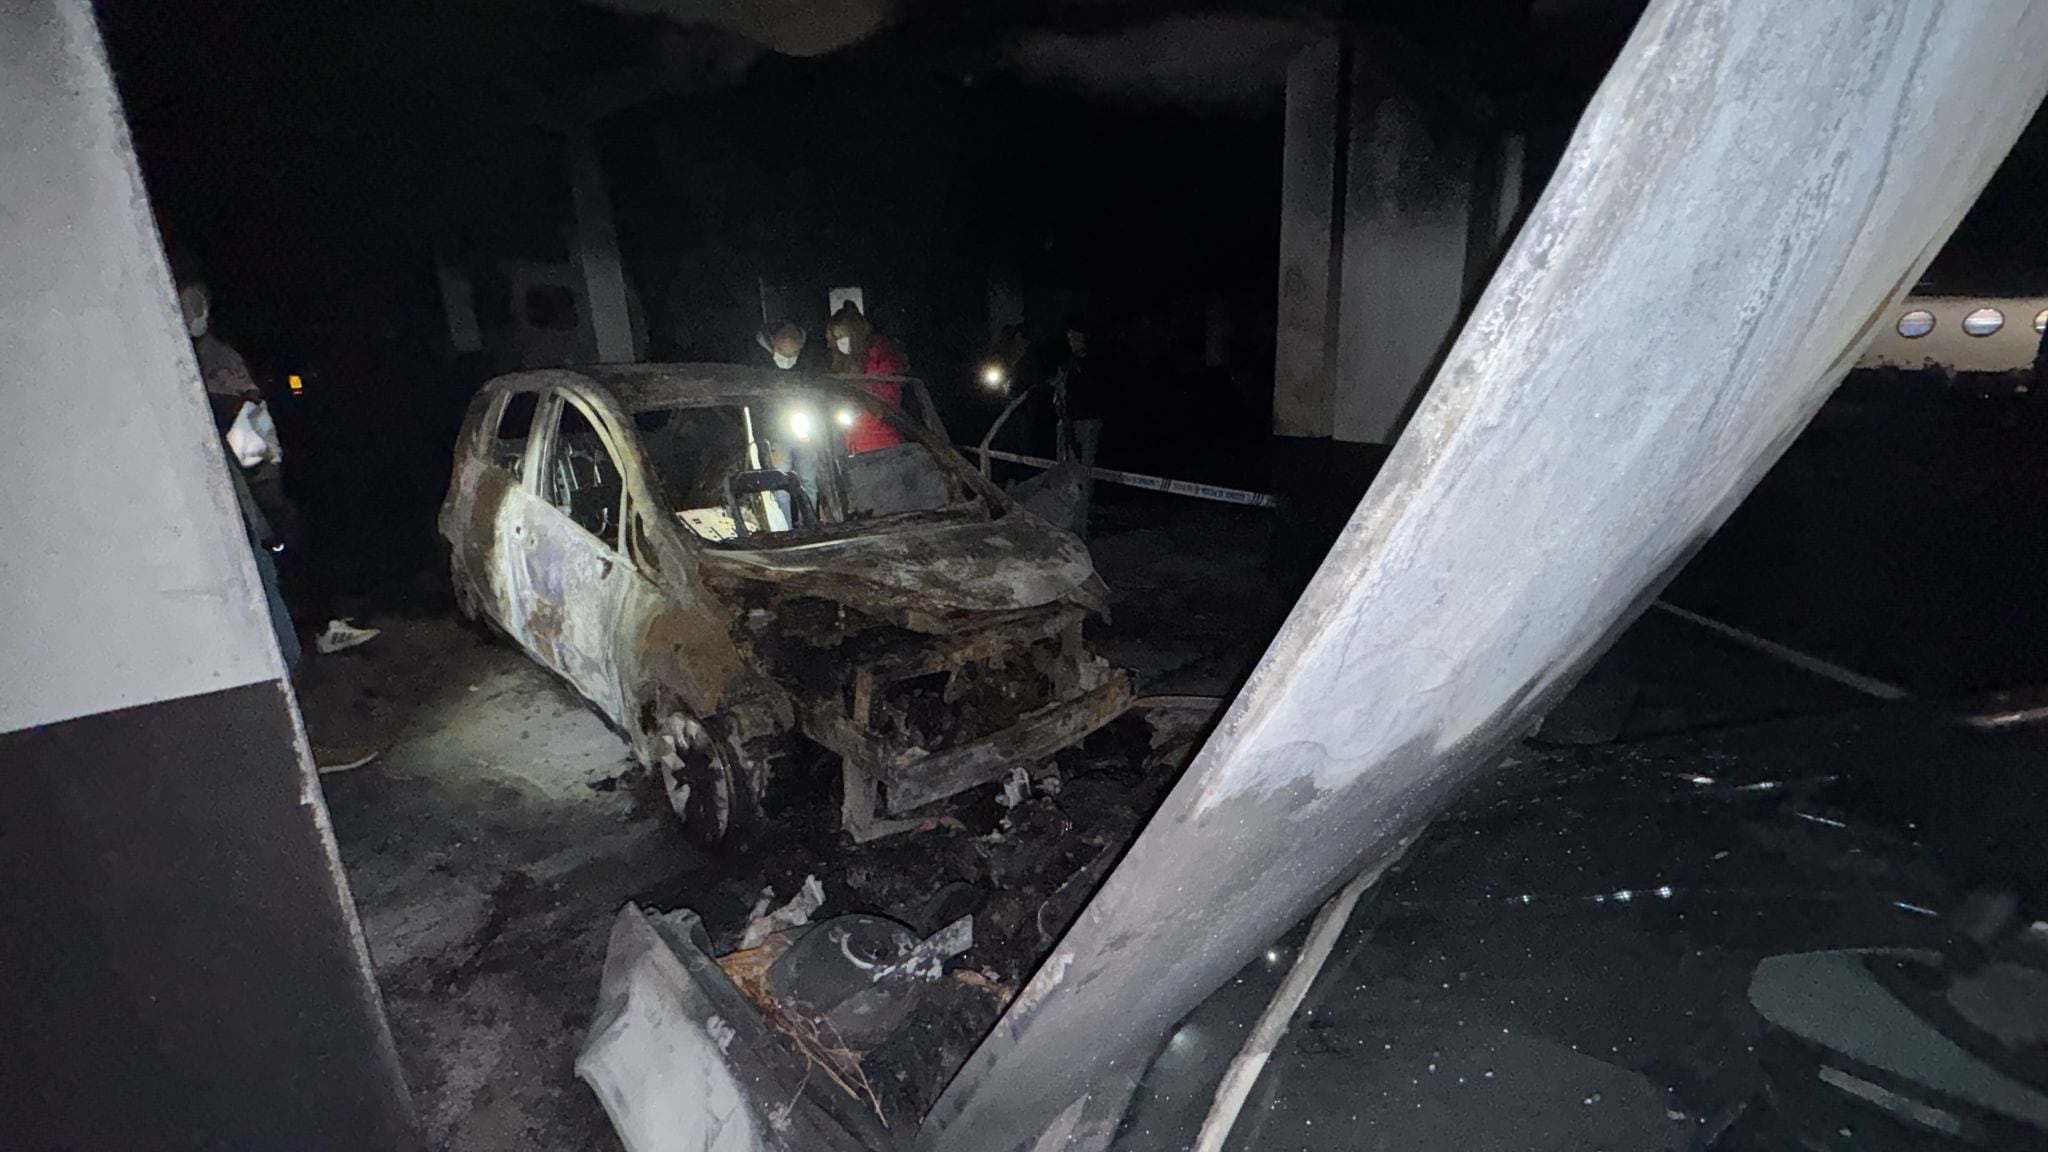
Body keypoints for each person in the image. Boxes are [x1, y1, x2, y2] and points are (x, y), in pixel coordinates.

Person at [825, 301, 907, 453]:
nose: (840, 342)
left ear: (855, 333)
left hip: (881, 441)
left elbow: (886, 405)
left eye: (842, 336)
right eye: (836, 338)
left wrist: (857, 402)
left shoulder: (881, 358)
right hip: (855, 441)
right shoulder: (848, 362)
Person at [1053, 320, 1105, 535]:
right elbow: (1059, 392)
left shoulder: (1095, 363)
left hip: (1088, 422)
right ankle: (1065, 520)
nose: (1072, 342)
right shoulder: (1067, 365)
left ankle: (1081, 522)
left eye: (1076, 338)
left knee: (1086, 473)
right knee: (1065, 471)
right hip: (1068, 422)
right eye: (1069, 339)